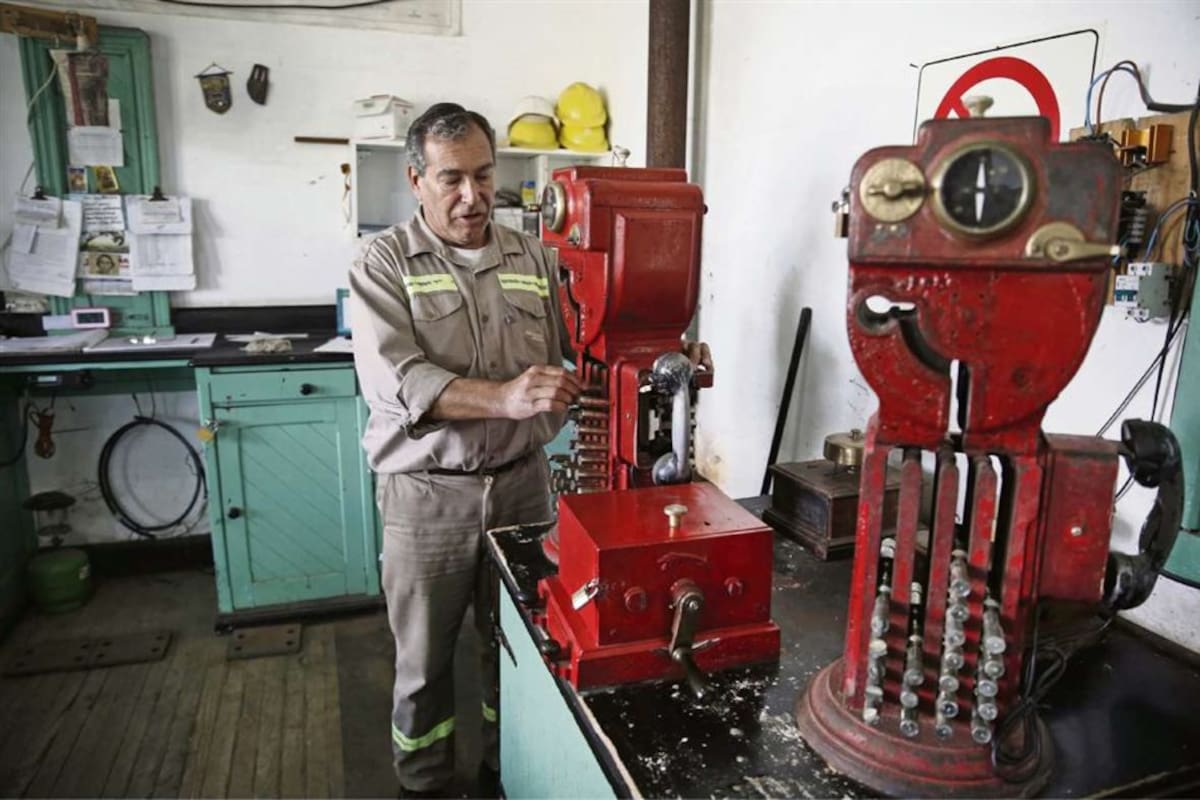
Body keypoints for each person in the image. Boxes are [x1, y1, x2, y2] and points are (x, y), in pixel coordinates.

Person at [349, 102, 712, 798]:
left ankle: (503, 765)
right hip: (429, 498)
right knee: (424, 661)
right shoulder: (382, 263)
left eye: (485, 176)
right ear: (415, 178)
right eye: (453, 178)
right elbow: (399, 385)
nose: (472, 196)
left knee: (514, 648)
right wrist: (504, 397)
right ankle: (421, 780)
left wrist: (664, 356)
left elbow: (580, 348)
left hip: (522, 488)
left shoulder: (531, 257)